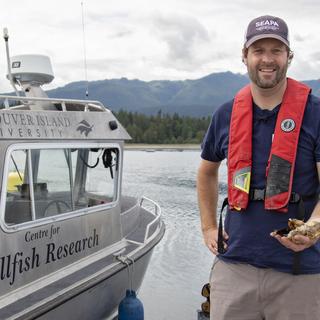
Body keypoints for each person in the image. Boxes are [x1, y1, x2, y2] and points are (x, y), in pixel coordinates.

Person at [197, 15, 320, 320]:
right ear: (245, 56)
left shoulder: (316, 113)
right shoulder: (225, 114)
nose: (267, 59)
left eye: (276, 51)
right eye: (258, 50)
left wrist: (314, 227)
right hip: (234, 267)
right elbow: (206, 171)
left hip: (300, 273)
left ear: (288, 57)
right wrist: (209, 226)